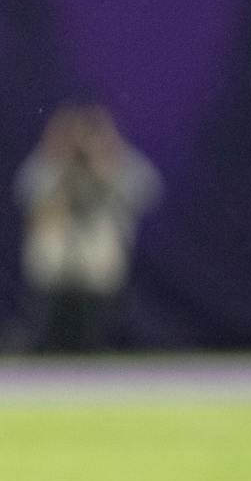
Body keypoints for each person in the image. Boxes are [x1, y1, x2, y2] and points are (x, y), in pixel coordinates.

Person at [13, 104, 162, 352]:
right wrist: (56, 153)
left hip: (98, 270)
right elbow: (26, 194)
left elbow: (147, 189)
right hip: (53, 270)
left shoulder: (113, 166)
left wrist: (110, 153)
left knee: (97, 335)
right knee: (44, 333)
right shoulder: (51, 165)